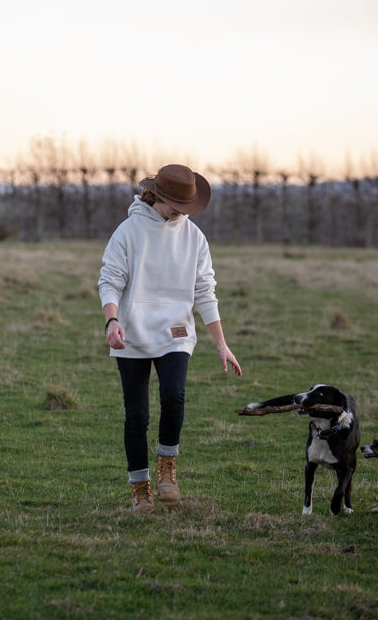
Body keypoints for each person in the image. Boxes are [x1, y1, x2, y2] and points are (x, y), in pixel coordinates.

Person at [98, 163, 242, 513]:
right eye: (176, 205)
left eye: (186, 207)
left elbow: (205, 291)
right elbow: (110, 280)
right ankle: (140, 488)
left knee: (174, 396)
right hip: (131, 332)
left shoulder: (194, 238)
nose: (182, 213)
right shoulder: (129, 231)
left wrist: (221, 344)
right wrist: (112, 320)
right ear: (157, 196)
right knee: (137, 416)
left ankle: (167, 467)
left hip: (176, 332)